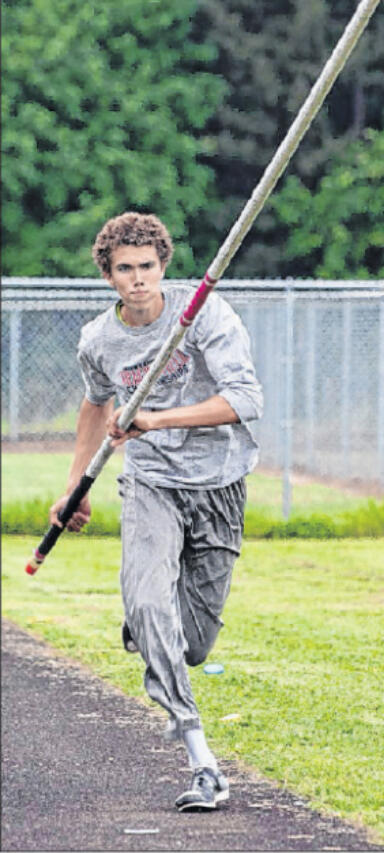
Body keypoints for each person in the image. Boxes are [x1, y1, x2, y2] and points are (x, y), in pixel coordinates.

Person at [50, 211, 263, 812]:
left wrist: (155, 419)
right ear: (109, 276)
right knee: (147, 601)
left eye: (147, 267)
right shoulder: (100, 340)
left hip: (219, 481)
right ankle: (203, 762)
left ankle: (151, 632)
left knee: (192, 645)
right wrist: (75, 485)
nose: (138, 280)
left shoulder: (204, 313)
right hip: (150, 483)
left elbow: (246, 400)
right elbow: (95, 407)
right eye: (125, 270)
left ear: (162, 266)